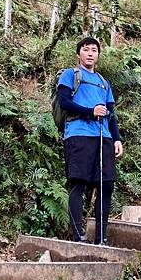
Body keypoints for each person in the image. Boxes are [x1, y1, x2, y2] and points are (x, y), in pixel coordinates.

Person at [57, 37, 123, 244]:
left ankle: (101, 238)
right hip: (78, 133)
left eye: (94, 50)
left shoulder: (104, 83)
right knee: (78, 183)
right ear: (79, 54)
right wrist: (90, 112)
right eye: (86, 50)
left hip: (104, 137)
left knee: (106, 185)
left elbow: (111, 113)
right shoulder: (70, 75)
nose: (90, 53)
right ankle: (79, 237)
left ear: (98, 56)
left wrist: (117, 139)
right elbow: (64, 102)